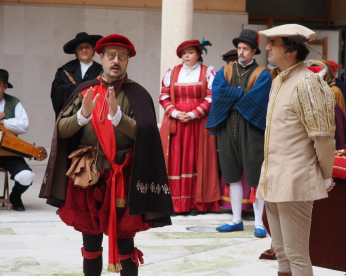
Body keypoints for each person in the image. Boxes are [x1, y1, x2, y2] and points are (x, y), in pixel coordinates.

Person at [39, 34, 173, 275]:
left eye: (122, 57)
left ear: (128, 61)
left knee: (125, 244)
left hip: (122, 178)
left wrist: (118, 117)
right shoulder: (84, 91)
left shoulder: (138, 94)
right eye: (111, 56)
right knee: (90, 245)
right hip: (87, 177)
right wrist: (82, 116)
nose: (116, 61)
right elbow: (61, 129)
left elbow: (147, 134)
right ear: (100, 57)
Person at [258, 24, 336, 276]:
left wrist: (325, 175)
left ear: (291, 50)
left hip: (295, 180)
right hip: (273, 179)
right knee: (280, 251)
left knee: (296, 255)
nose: (268, 48)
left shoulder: (308, 82)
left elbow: (323, 137)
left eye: (274, 44)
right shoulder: (280, 79)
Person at [206, 29, 272, 238]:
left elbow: (257, 100)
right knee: (232, 174)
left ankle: (260, 223)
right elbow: (217, 93)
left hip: (252, 129)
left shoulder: (263, 73)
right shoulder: (225, 71)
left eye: (245, 48)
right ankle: (236, 220)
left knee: (256, 176)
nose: (241, 52)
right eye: (239, 48)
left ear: (254, 51)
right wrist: (241, 95)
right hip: (227, 128)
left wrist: (231, 97)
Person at [159, 39, 220, 215]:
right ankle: (175, 203)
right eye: (184, 53)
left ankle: (195, 203)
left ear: (198, 54)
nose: (186, 56)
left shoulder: (208, 72)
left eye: (190, 52)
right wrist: (176, 113)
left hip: (199, 123)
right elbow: (163, 96)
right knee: (175, 160)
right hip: (175, 122)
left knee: (195, 159)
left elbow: (211, 96)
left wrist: (194, 114)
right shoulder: (172, 71)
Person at [0, 68, 34, 212]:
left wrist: (2, 123)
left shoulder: (14, 102)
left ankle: (15, 197)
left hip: (10, 151)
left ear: (5, 86)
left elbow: (24, 126)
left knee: (26, 176)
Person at [51, 32, 103, 118]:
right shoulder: (64, 71)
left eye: (87, 47)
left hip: (94, 118)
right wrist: (79, 87)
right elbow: (56, 94)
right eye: (80, 47)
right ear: (76, 50)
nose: (84, 50)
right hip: (70, 118)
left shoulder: (102, 71)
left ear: (93, 49)